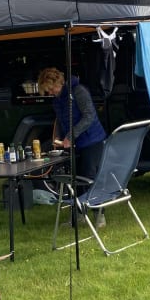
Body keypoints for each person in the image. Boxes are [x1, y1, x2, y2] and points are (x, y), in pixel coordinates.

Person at [37, 67, 107, 227]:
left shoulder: (78, 91)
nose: (50, 93)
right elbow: (61, 120)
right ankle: (79, 215)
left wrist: (70, 136)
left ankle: (99, 214)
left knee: (90, 177)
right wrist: (58, 137)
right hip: (76, 143)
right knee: (75, 178)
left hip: (92, 140)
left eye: (51, 89)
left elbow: (89, 116)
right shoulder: (57, 99)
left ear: (58, 82)